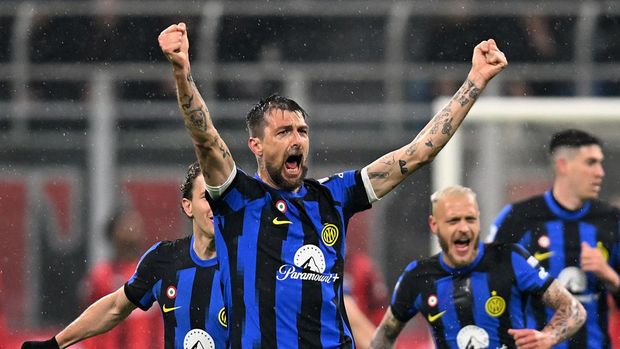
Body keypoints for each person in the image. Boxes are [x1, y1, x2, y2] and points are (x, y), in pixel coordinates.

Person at [159, 21, 507, 348]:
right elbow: (205, 138)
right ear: (257, 146)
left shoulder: (334, 195)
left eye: (302, 132)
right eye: (283, 132)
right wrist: (181, 70)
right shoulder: (239, 199)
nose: (297, 140)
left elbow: (416, 154)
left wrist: (475, 81)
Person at [21, 162, 228, 349]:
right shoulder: (163, 261)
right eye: (206, 197)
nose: (215, 205)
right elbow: (113, 308)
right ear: (187, 205)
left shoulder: (248, 260)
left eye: (221, 197)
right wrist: (55, 344)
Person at [371, 186, 586, 349]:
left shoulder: (510, 258)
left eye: (470, 219)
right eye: (454, 221)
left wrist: (548, 336)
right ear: (434, 225)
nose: (464, 228)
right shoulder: (417, 278)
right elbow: (384, 335)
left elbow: (574, 309)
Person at [487, 129, 620, 348]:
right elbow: (489, 284)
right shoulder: (517, 218)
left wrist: (609, 276)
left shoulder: (612, 221)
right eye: (591, 163)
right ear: (563, 165)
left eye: (600, 163)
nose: (600, 172)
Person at [80, 207, 162, 349]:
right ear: (113, 233)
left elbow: (162, 325)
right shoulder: (101, 276)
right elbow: (89, 325)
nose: (133, 230)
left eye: (136, 225)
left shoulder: (154, 274)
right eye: (127, 225)